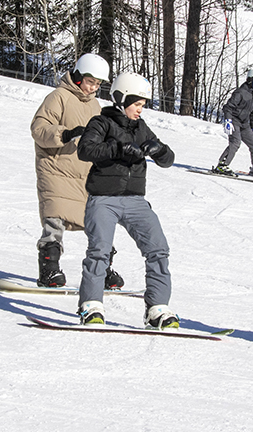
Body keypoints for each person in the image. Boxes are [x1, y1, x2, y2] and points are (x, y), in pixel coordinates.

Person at [75, 72, 178, 330]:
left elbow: (169, 160)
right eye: (137, 104)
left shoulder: (141, 128)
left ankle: (157, 309)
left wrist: (160, 150)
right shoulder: (102, 123)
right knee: (99, 252)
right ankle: (91, 306)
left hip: (135, 200)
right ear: (121, 99)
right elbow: (85, 150)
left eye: (143, 105)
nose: (140, 110)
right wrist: (118, 148)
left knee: (158, 249)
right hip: (104, 199)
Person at [29, 53, 124, 289]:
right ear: (79, 76)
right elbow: (38, 128)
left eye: (98, 84)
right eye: (90, 81)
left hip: (85, 173)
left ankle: (101, 269)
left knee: (97, 221)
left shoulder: (94, 104)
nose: (93, 87)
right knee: (55, 218)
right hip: (55, 168)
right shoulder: (58, 97)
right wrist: (65, 133)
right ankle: (49, 271)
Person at [212, 68, 253, 179]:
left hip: (245, 123)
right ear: (250, 81)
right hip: (234, 121)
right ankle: (222, 165)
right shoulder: (240, 93)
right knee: (235, 143)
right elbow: (228, 107)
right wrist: (228, 120)